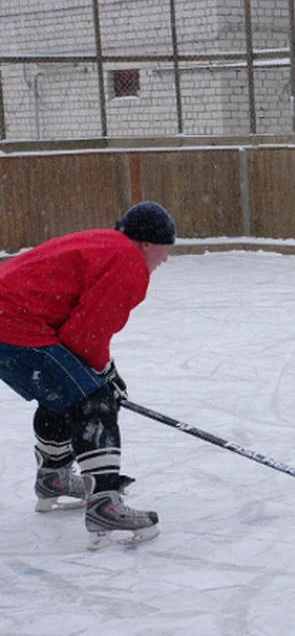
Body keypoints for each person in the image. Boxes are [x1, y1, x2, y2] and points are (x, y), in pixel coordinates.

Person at [0, 201, 175, 549]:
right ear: (146, 244)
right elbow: (85, 336)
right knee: (94, 400)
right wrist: (105, 378)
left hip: (12, 317)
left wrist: (102, 370)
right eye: (165, 250)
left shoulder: (106, 242)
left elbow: (79, 338)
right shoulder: (128, 264)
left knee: (67, 389)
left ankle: (54, 476)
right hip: (15, 323)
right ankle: (105, 504)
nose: (165, 259)